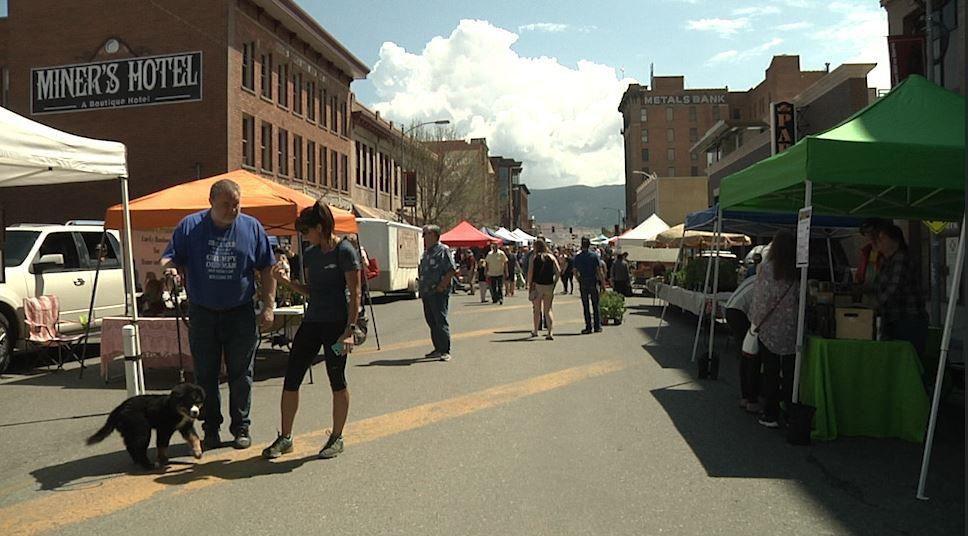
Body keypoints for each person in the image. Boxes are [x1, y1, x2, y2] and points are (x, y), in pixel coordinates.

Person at [161, 178, 276, 450]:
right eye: (226, 205)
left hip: (241, 313)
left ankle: (241, 427)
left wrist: (269, 306)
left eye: (236, 204)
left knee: (242, 373)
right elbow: (169, 257)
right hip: (203, 313)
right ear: (211, 202)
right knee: (205, 375)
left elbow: (268, 269)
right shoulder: (190, 227)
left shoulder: (252, 228)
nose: (232, 210)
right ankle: (210, 427)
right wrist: (170, 269)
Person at [262, 203, 361, 460]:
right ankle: (285, 438)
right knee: (292, 376)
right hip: (313, 322)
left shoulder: (345, 251)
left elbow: (355, 294)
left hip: (337, 326)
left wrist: (349, 330)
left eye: (306, 231)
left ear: (319, 228)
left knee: (336, 379)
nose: (303, 237)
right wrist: (285, 282)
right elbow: (311, 291)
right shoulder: (313, 253)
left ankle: (337, 437)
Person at [750, 230, 799, 429]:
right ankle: (789, 411)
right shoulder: (798, 269)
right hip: (792, 327)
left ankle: (770, 413)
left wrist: (755, 322)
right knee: (790, 373)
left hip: (770, 326)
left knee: (770, 371)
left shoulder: (767, 268)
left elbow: (761, 299)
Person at [873, 224, 929, 357]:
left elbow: (894, 288)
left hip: (908, 319)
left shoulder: (901, 258)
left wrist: (876, 305)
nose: (879, 242)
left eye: (882, 238)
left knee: (907, 358)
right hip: (893, 318)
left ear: (895, 241)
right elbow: (879, 286)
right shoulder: (886, 261)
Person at [419, 225, 457, 361]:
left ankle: (445, 350)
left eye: (427, 234)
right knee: (431, 321)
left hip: (438, 292)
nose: (424, 237)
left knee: (440, 320)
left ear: (435, 235)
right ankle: (437, 348)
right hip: (426, 292)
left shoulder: (443, 250)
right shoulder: (426, 252)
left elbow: (451, 270)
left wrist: (442, 286)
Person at [724, 274, 759, 413]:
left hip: (731, 308)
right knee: (751, 356)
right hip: (739, 312)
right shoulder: (767, 281)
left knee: (745, 354)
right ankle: (751, 398)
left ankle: (746, 397)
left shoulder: (755, 277)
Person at [527, 239, 561, 340]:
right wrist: (554, 283)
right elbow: (558, 271)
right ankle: (550, 332)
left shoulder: (534, 258)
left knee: (537, 310)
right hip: (549, 285)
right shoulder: (551, 257)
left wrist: (529, 285)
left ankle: (536, 330)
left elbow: (530, 273)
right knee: (548, 309)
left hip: (538, 286)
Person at [574, 237, 605, 334]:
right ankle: (597, 326)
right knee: (596, 304)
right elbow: (599, 271)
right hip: (593, 281)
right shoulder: (594, 256)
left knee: (586, 305)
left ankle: (588, 327)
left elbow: (575, 271)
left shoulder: (578, 257)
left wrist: (578, 279)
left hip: (583, 281)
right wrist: (603, 284)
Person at [856, 218, 890, 286]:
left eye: (873, 231)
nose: (870, 235)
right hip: (866, 291)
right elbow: (859, 275)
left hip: (882, 291)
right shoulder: (865, 252)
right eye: (867, 232)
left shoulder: (887, 252)